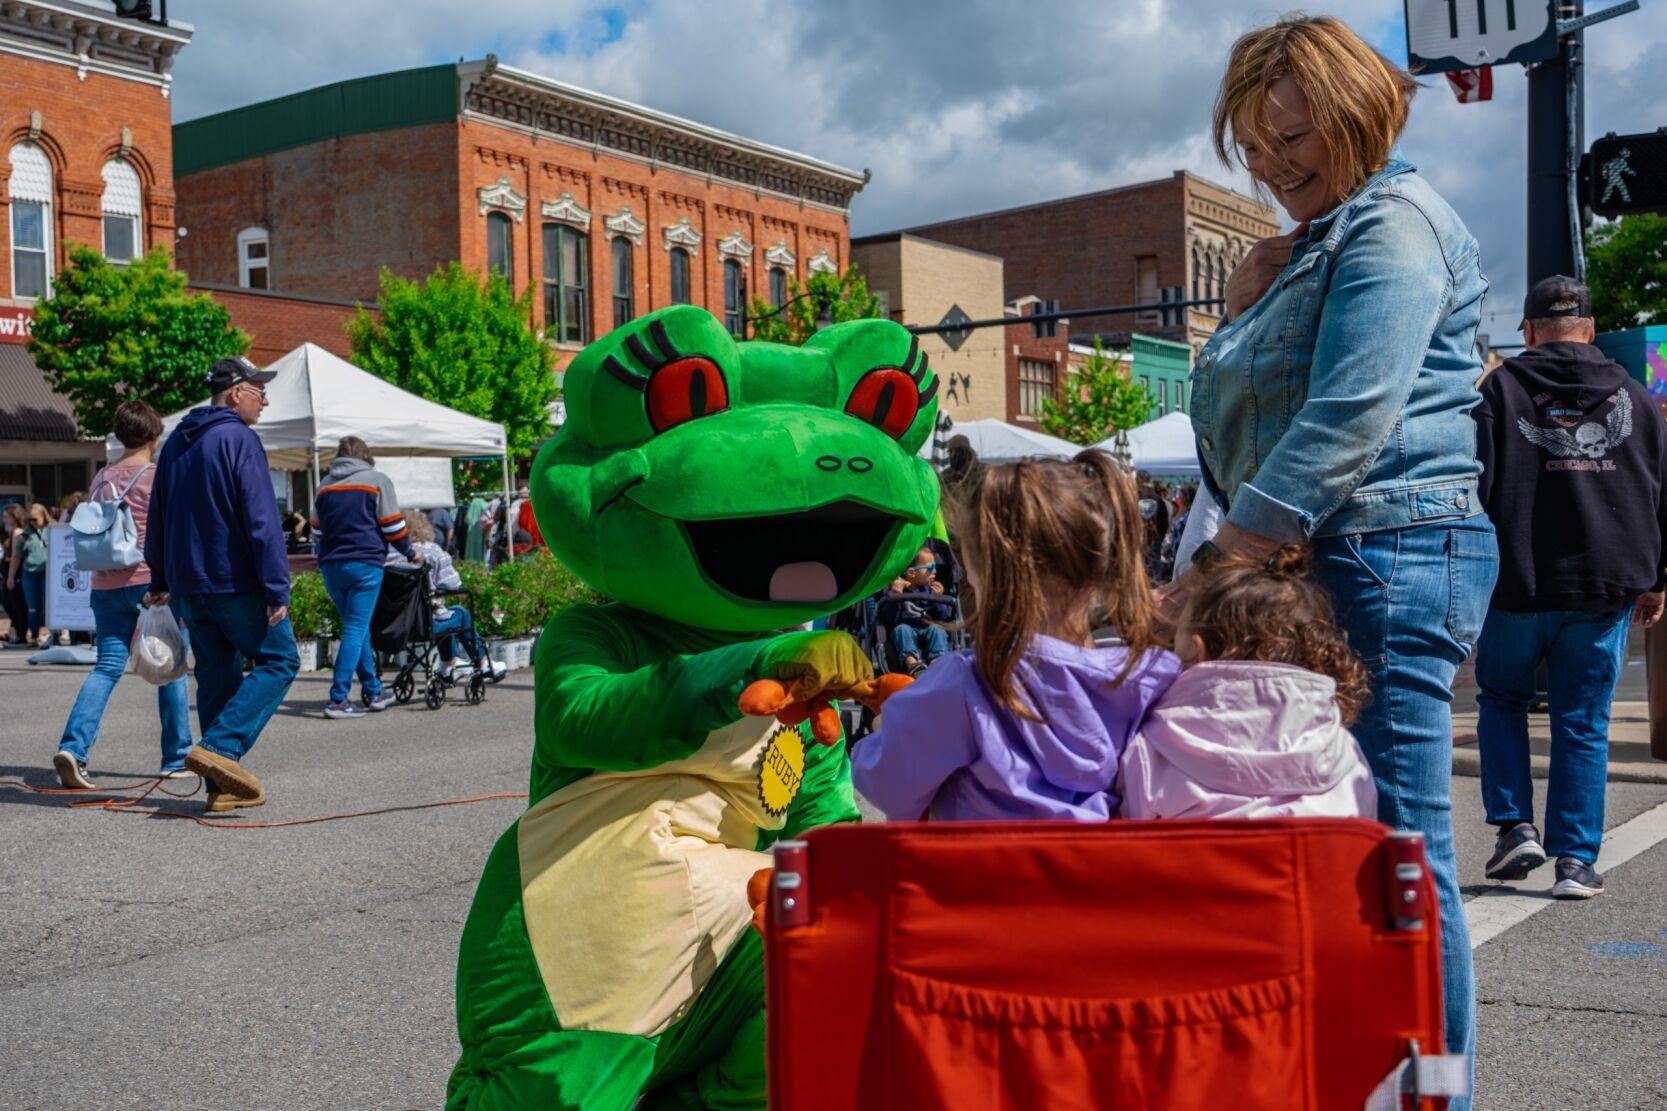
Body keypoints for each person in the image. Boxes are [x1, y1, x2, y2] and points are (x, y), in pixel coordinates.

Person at [1167, 18, 1497, 1091]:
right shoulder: (1328, 236)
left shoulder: (1390, 226)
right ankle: (1387, 1071)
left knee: (1398, 847)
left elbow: (1350, 411)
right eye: (1253, 150)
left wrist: (1222, 561)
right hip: (1349, 551)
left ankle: (1431, 1086)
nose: (1270, 168)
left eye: (1292, 140)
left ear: (1357, 114)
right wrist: (1238, 306)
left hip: (1385, 546)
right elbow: (1248, 405)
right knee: (1361, 836)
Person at [1471, 276, 1667, 899]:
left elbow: (1474, 488)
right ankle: (1575, 864)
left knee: (1502, 699)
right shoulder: (1635, 396)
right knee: (1583, 720)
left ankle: (1514, 829)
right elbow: (1662, 494)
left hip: (1516, 582)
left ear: (1527, 331)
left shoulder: (1498, 391)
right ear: (1590, 328)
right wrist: (1659, 578)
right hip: (1604, 588)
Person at [851, 452, 1180, 822]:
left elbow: (887, 784)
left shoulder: (969, 682)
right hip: (1099, 874)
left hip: (980, 875)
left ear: (982, 570)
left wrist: (881, 730)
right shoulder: (1154, 677)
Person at [144, 355, 299, 815]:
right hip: (236, 581)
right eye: (259, 390)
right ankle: (220, 748)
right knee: (280, 659)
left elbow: (159, 516)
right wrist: (276, 586)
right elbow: (262, 520)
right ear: (236, 393)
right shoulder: (239, 439)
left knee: (216, 675)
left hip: (192, 586)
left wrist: (160, 576)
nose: (265, 400)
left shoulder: (174, 444)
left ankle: (220, 788)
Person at [1119, 545, 1377, 819]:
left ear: (1197, 648)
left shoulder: (1151, 747)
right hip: (1308, 860)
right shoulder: (1339, 749)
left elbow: (1133, 831)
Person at [52, 401, 193, 788]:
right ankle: (175, 756)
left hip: (104, 584)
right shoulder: (155, 476)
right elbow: (173, 531)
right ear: (154, 436)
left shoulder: (101, 478)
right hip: (148, 583)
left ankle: (74, 748)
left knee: (106, 668)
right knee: (170, 668)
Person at [310, 435, 417, 719]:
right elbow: (392, 526)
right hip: (365, 563)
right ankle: (338, 699)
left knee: (356, 630)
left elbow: (316, 531)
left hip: (332, 566)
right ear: (366, 456)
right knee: (355, 630)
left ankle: (372, 691)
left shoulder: (324, 485)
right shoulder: (377, 480)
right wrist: (410, 553)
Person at [399, 512, 505, 682]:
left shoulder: (388, 556)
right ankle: (483, 661)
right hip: (425, 623)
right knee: (459, 613)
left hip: (397, 625)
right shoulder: (432, 551)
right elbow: (453, 584)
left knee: (444, 613)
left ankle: (449, 664)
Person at [875, 546, 955, 674]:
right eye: (930, 568)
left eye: (935, 566)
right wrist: (896, 595)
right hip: (907, 627)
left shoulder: (930, 590)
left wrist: (937, 598)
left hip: (927, 626)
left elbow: (942, 616)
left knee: (938, 629)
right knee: (901, 630)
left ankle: (937, 662)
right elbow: (889, 619)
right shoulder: (897, 590)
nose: (934, 571)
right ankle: (912, 664)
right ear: (912, 572)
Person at [10, 502, 53, 648]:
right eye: (30, 520)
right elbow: (17, 556)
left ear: (43, 516)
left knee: (50, 605)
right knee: (33, 607)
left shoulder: (52, 529)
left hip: (47, 573)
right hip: (30, 573)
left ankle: (53, 634)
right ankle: (34, 635)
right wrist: (10, 577)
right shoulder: (25, 534)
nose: (32, 522)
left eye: (35, 519)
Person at [2, 504, 30, 646]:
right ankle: (16, 632)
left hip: (14, 570)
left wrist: (11, 576)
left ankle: (21, 635)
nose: (4, 520)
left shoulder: (17, 532)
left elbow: (15, 556)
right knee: (9, 601)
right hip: (8, 568)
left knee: (15, 603)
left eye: (7, 517)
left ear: (15, 517)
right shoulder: (12, 531)